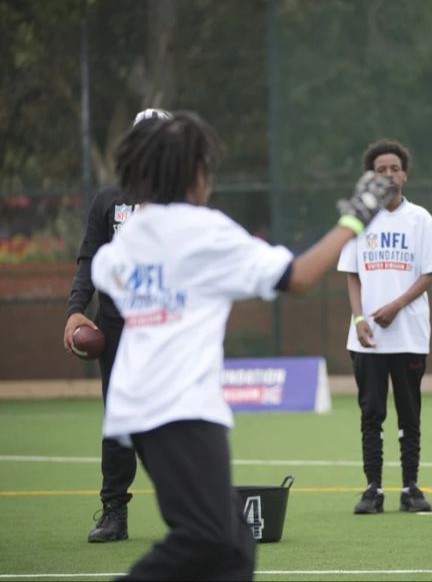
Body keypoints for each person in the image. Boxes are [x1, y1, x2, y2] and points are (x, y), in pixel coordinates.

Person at [90, 111, 394, 579]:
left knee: (235, 547)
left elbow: (102, 269)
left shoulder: (131, 236)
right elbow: (299, 276)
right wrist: (356, 218)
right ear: (194, 172)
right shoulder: (205, 231)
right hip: (179, 407)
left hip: (139, 407)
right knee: (208, 539)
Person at [63, 108, 171, 542]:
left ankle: (187, 512)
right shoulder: (108, 199)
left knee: (173, 421)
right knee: (118, 420)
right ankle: (114, 511)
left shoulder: (184, 200)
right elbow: (89, 257)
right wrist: (75, 308)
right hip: (116, 327)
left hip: (167, 328)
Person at [337, 139, 432, 515]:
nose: (388, 175)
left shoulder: (420, 219)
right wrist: (360, 318)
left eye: (394, 169)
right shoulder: (358, 218)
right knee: (371, 414)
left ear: (405, 174)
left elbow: (429, 271)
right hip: (367, 339)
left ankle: (411, 488)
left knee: (409, 414)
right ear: (370, 176)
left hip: (410, 336)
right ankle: (372, 489)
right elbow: (352, 275)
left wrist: (397, 306)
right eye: (380, 170)